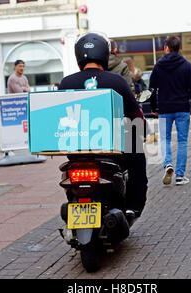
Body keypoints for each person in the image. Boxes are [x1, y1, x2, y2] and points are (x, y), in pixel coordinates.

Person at [58, 32, 148, 219]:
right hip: (111, 149)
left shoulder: (67, 82)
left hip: (77, 150)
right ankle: (132, 207)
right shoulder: (116, 81)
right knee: (137, 162)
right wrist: (142, 132)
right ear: (104, 55)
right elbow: (135, 115)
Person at [149, 36, 191, 186]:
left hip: (164, 108)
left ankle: (168, 164)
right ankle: (180, 175)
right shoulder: (186, 65)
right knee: (182, 141)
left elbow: (152, 89)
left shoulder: (158, 66)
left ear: (166, 47)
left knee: (165, 139)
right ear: (179, 48)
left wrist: (154, 107)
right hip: (182, 108)